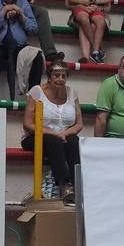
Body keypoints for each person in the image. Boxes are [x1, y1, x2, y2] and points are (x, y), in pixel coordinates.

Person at [20, 60, 83, 199]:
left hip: (63, 136)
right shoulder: (36, 91)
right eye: (56, 75)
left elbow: (79, 124)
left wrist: (64, 133)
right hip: (36, 136)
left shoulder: (72, 93)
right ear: (49, 77)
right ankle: (64, 184)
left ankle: (78, 185)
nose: (60, 79)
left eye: (63, 76)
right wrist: (54, 133)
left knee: (74, 140)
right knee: (54, 141)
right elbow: (28, 124)